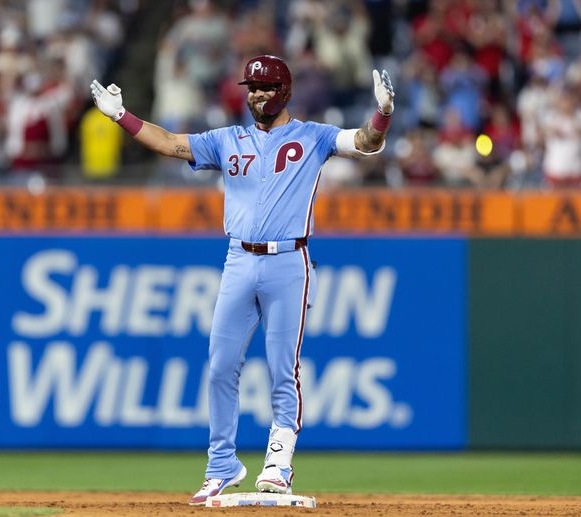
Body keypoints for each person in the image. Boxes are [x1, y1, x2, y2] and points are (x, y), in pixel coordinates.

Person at [90, 54, 394, 505]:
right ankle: (221, 465)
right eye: (251, 87)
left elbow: (366, 143)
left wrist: (383, 114)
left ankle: (278, 463)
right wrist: (122, 117)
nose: (256, 94)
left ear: (285, 91)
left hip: (289, 260)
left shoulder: (312, 136)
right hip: (239, 258)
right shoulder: (229, 139)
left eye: (266, 87)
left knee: (280, 369)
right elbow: (172, 143)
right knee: (219, 366)